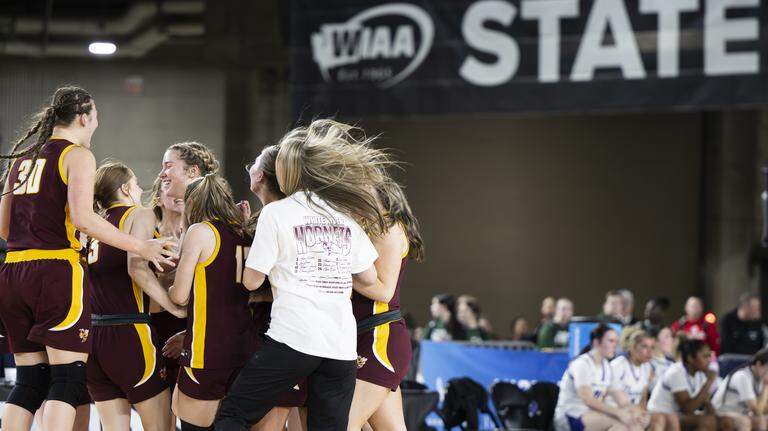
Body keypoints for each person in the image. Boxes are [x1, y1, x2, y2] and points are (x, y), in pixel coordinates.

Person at [0, 86, 174, 430]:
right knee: (68, 380)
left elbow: (4, 227)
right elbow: (82, 218)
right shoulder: (77, 155)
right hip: (54, 272)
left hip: (12, 272)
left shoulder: (23, 160)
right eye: (96, 119)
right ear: (84, 117)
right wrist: (141, 247)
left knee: (29, 382)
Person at [214, 119, 385, 430]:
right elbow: (370, 277)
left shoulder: (276, 213)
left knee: (233, 416)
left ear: (285, 172)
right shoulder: (343, 215)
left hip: (292, 338)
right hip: (340, 345)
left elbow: (251, 280)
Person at [86, 161, 185, 430]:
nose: (141, 188)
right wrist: (174, 308)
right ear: (126, 188)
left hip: (93, 337)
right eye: (137, 183)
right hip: (130, 333)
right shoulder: (139, 215)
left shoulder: (92, 224)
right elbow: (136, 268)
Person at [168, 174, 258, 430]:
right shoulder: (244, 232)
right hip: (244, 346)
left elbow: (180, 296)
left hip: (207, 350)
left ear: (192, 202)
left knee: (192, 422)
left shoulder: (200, 231)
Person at [348, 177, 425, 431]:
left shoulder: (389, 229)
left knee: (343, 424)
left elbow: (384, 291)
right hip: (367, 335)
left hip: (380, 338)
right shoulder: (374, 227)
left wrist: (336, 275)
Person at [244, 145, 309, 431]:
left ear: (260, 176)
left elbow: (254, 283)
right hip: (268, 327)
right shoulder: (262, 218)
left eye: (254, 164)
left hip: (280, 327)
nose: (249, 168)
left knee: (272, 419)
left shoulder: (278, 218)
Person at [553, 324, 647, 431]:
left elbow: (623, 400)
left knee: (635, 424)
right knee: (620, 423)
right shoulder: (582, 364)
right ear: (596, 342)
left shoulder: (607, 367)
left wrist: (639, 414)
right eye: (611, 341)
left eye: (616, 342)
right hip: (571, 416)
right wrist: (619, 413)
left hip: (592, 415)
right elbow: (588, 399)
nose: (615, 345)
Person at [647, 339, 740, 431]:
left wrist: (718, 418)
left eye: (709, 356)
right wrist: (709, 381)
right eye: (705, 356)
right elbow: (688, 409)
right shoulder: (676, 372)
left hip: (680, 415)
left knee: (727, 422)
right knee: (707, 421)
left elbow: (706, 403)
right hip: (662, 413)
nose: (709, 360)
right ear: (690, 358)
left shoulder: (699, 373)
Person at [610, 330, 666, 429]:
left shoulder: (647, 367)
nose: (650, 351)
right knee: (634, 425)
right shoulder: (617, 366)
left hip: (634, 412)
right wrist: (635, 414)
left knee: (659, 419)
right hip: (614, 411)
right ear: (632, 348)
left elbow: (642, 399)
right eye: (644, 346)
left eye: (652, 347)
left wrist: (644, 414)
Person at [712, 348, 768, 431]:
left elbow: (763, 408)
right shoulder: (742, 376)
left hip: (740, 413)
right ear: (759, 364)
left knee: (762, 419)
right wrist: (766, 386)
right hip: (720, 411)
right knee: (746, 421)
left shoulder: (760, 378)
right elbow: (757, 411)